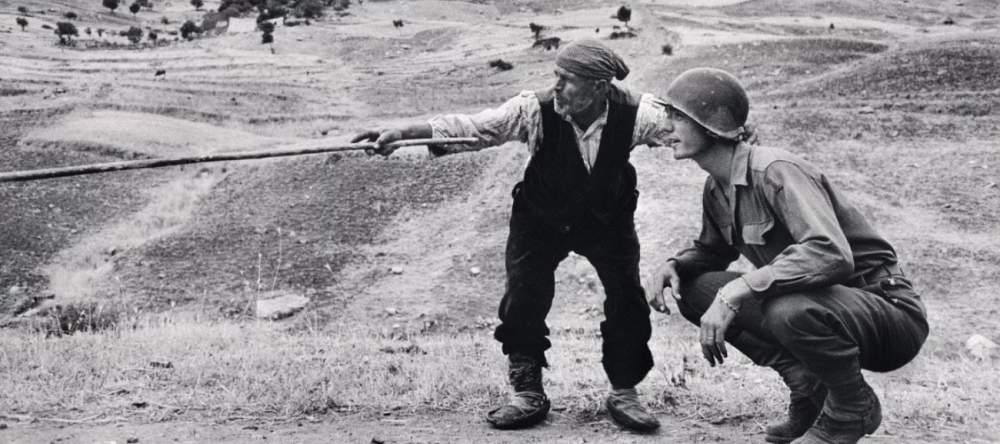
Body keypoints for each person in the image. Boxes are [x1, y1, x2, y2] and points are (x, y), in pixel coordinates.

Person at [352, 39, 674, 432]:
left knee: (627, 296)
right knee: (524, 296)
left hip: (607, 219)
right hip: (540, 217)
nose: (556, 87)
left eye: (567, 80)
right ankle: (528, 392)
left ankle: (624, 391)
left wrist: (735, 136)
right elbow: (473, 129)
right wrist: (402, 133)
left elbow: (686, 127)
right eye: (556, 77)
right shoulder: (532, 109)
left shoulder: (638, 113)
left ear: (599, 87)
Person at [644, 68, 928, 444]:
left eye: (677, 116)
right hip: (822, 310)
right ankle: (811, 390)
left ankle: (851, 408)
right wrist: (674, 266)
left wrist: (739, 290)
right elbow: (712, 252)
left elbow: (830, 253)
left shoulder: (775, 170)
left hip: (887, 314)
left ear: (711, 126)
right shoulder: (717, 188)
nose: (666, 126)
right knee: (696, 289)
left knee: (786, 307)